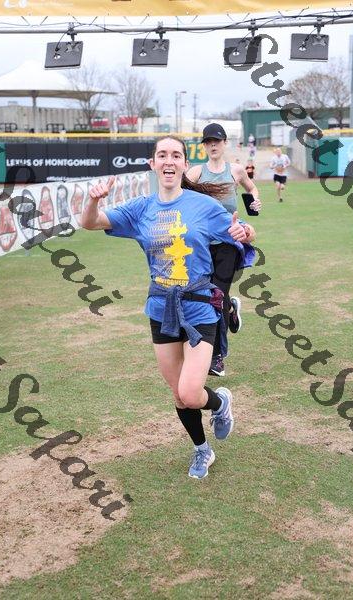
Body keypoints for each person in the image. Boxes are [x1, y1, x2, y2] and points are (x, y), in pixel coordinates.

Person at [81, 135, 256, 480]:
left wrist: (246, 231)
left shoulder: (203, 206)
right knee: (179, 394)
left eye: (176, 155)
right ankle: (202, 450)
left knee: (191, 392)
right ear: (153, 164)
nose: (169, 161)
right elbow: (91, 222)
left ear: (184, 164)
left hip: (200, 306)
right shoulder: (140, 208)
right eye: (162, 155)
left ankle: (220, 402)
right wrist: (93, 201)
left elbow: (241, 233)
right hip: (161, 308)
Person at [186, 123, 261, 377]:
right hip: (203, 246)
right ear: (204, 146)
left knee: (215, 295)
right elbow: (180, 196)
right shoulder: (196, 173)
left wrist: (254, 203)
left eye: (216, 141)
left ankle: (217, 357)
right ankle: (230, 309)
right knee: (211, 295)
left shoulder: (235, 170)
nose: (212, 145)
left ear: (225, 143)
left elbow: (251, 189)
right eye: (208, 142)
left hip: (230, 243)